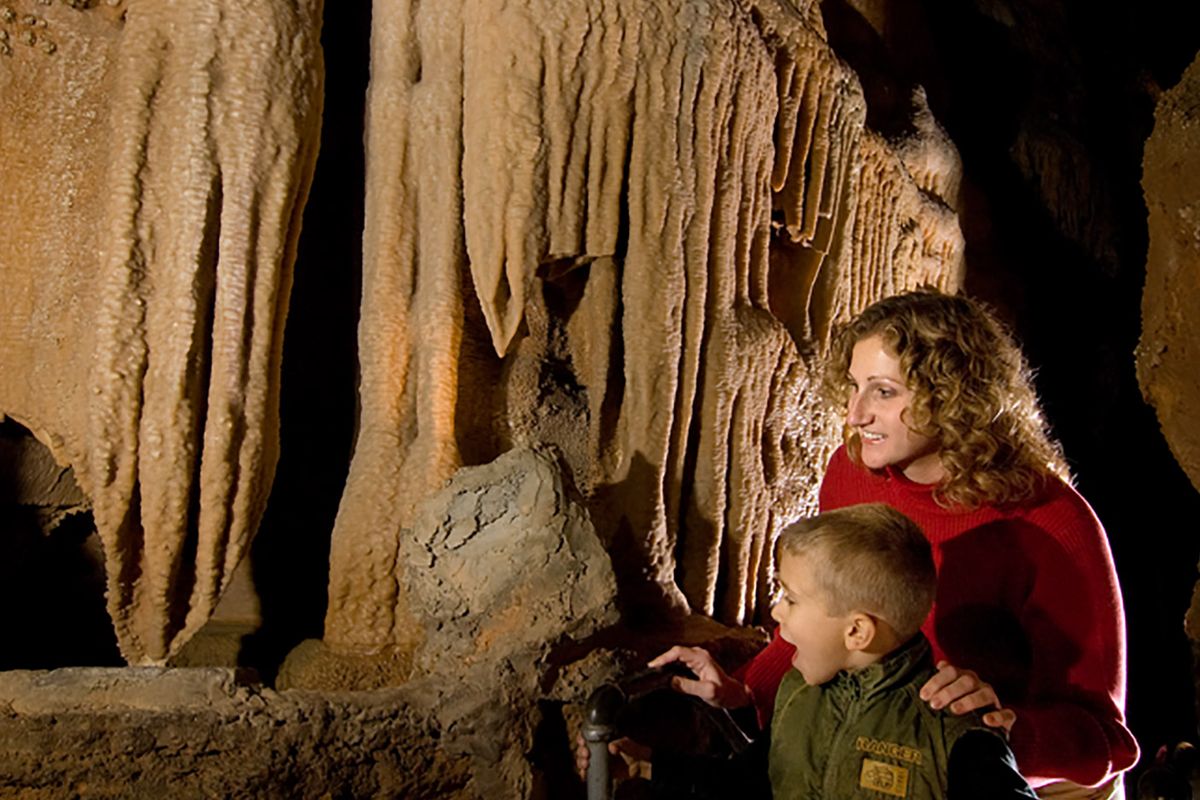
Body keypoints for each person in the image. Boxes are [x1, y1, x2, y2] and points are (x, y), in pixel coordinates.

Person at [654, 289, 1139, 798]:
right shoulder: (850, 473)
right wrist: (744, 691)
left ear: (953, 396)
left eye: (883, 392)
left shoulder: (1053, 524)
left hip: (1029, 778)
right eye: (854, 386)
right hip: (889, 750)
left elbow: (1105, 739)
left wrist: (1001, 727)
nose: (856, 413)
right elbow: (834, 609)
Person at [578, 503, 1039, 799]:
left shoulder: (953, 730)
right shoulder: (799, 695)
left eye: (792, 599)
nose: (777, 612)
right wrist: (646, 763)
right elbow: (753, 783)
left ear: (856, 631)